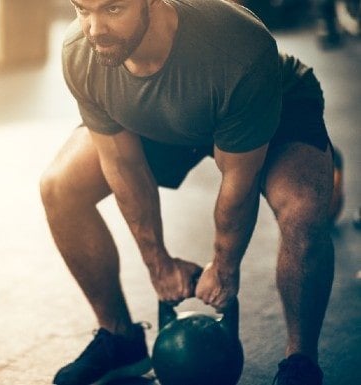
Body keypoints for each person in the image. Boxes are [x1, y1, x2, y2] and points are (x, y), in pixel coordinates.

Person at [39, 1, 335, 384]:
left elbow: (238, 181)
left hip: (265, 105)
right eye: (83, 9)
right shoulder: (82, 50)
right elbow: (124, 166)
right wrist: (157, 263)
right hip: (161, 118)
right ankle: (119, 338)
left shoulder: (237, 48)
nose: (94, 28)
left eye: (113, 9)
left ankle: (301, 362)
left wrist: (225, 268)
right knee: (59, 187)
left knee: (305, 211)